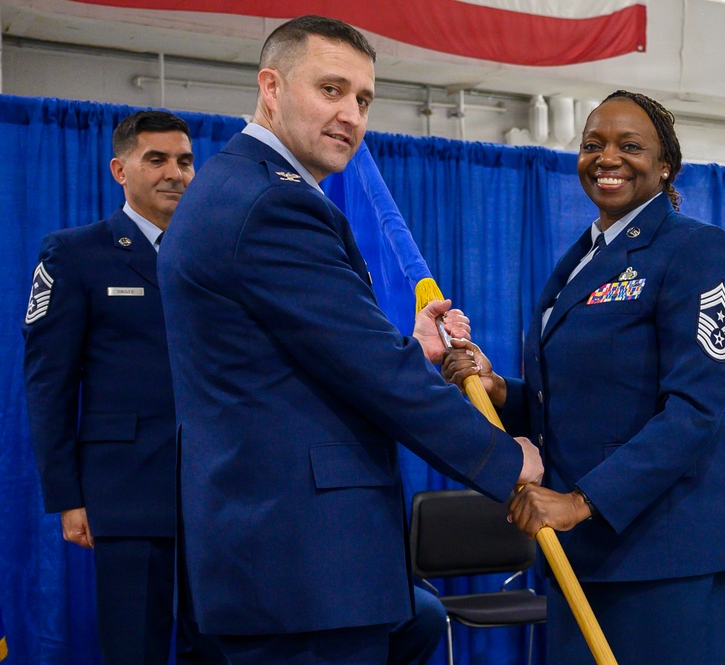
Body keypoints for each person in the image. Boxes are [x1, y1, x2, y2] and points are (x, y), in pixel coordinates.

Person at [157, 15, 542, 665]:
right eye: (331, 89)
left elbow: (309, 355)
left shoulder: (232, 187)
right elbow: (373, 374)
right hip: (301, 568)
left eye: (363, 98)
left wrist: (408, 347)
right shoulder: (270, 202)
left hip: (278, 562)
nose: (351, 114)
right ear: (271, 87)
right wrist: (506, 461)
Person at [442, 91, 725, 665]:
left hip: (666, 558)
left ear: (665, 165)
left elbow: (694, 411)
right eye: (593, 144)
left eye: (629, 146)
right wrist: (497, 391)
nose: (607, 157)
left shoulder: (694, 249)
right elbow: (565, 403)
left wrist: (580, 502)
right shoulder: (581, 261)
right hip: (580, 553)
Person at [23, 111, 224, 664]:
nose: (175, 173)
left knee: (219, 647)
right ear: (120, 169)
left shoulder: (217, 256)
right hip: (126, 490)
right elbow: (49, 384)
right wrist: (67, 497)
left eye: (184, 160)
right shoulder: (75, 253)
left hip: (219, 490)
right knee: (132, 647)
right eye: (155, 159)